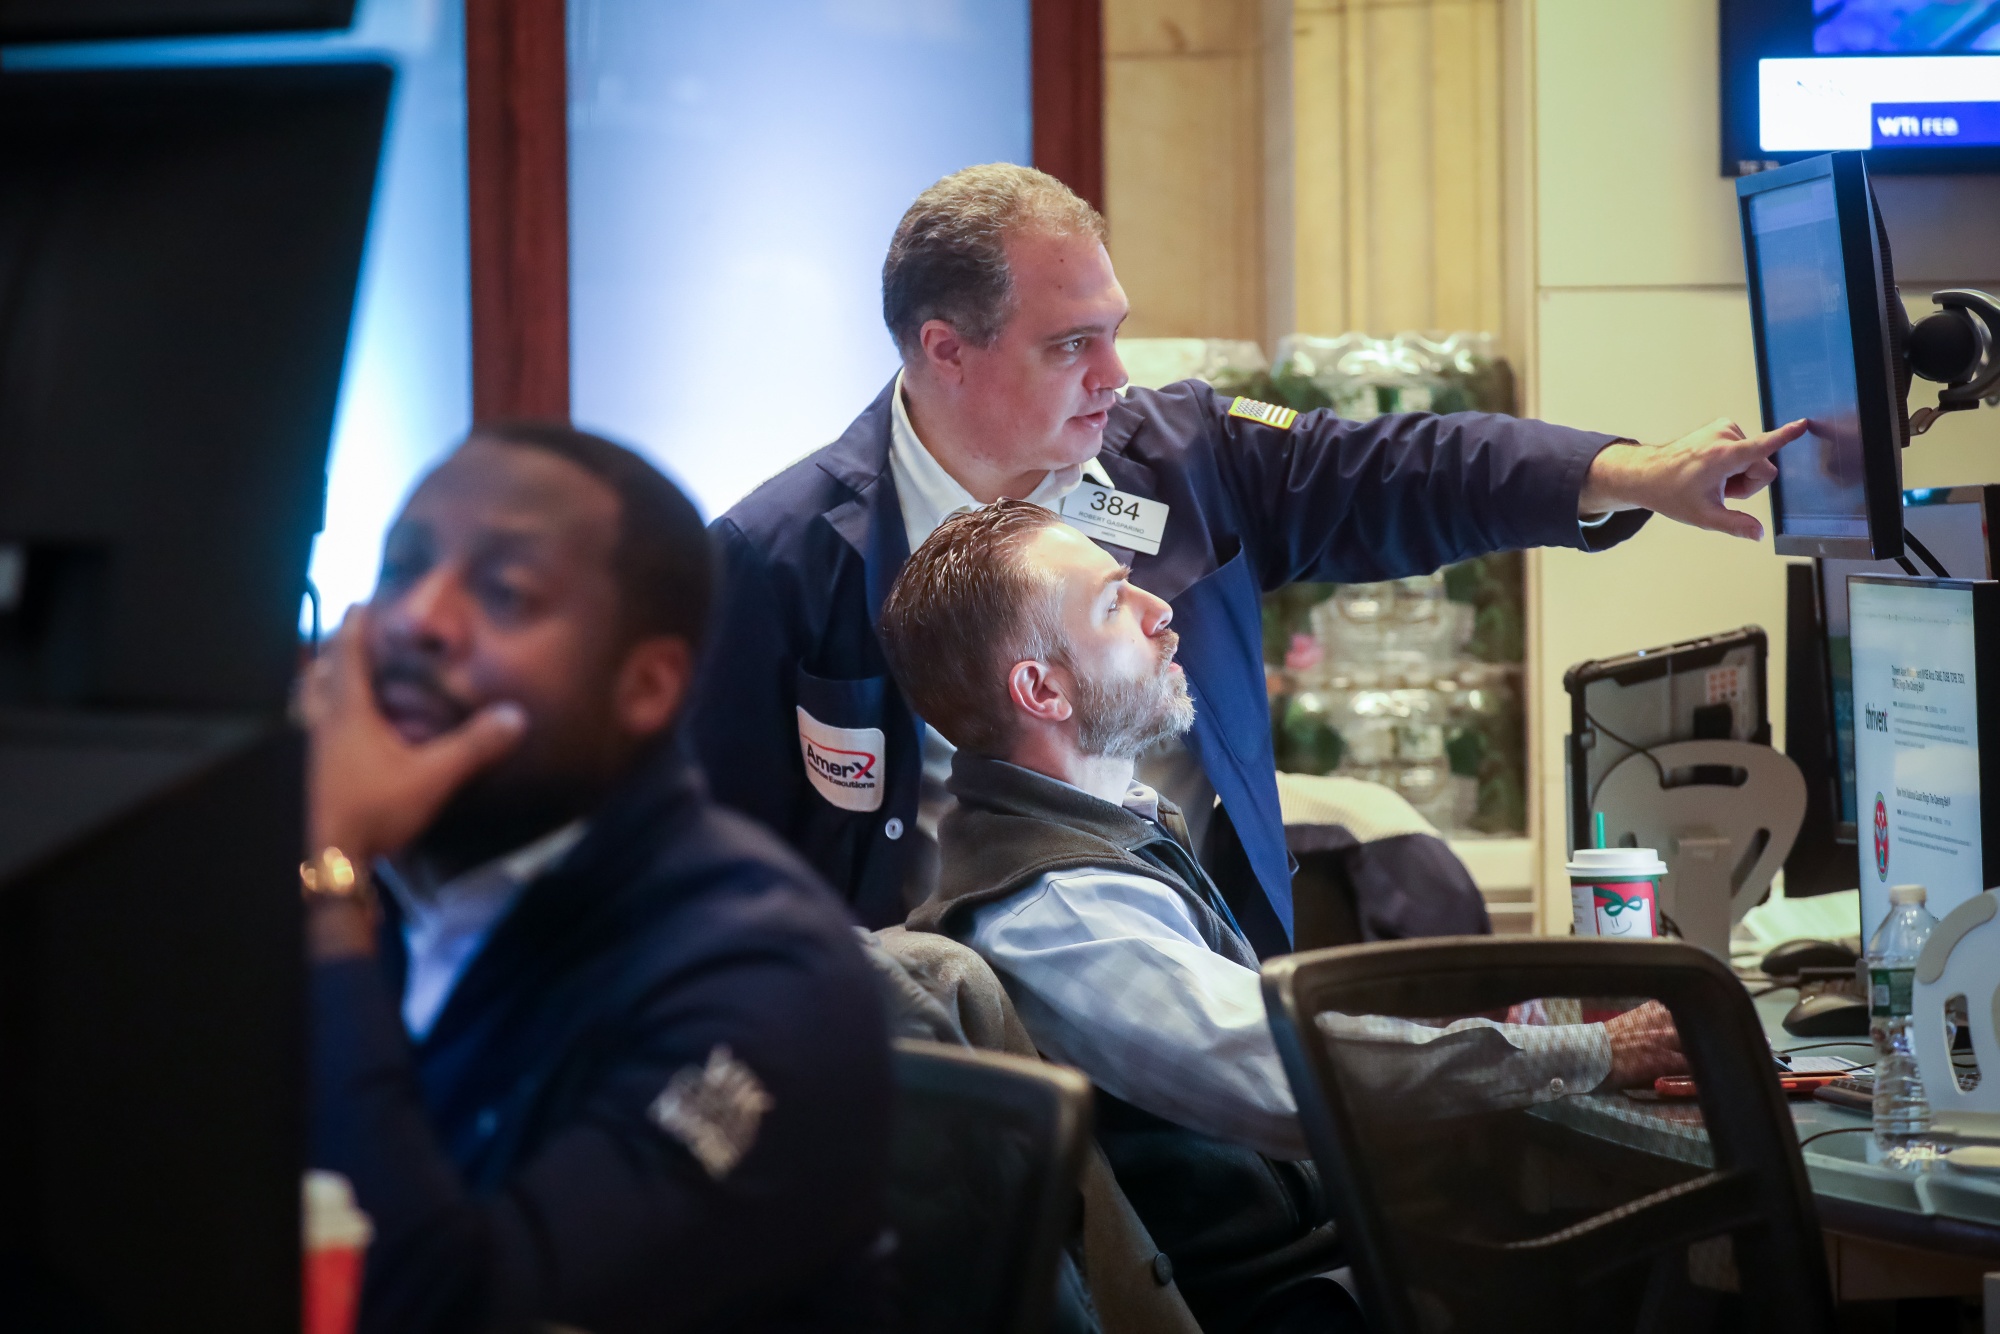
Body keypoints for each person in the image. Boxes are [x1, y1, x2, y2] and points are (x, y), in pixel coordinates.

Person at [689, 161, 1807, 947]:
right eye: (1072, 344)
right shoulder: (778, 555)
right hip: (949, 1085)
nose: (1113, 376)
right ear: (946, 351)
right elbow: (716, 869)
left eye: (1114, 330)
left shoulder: (1177, 459)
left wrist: (1628, 472)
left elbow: (1409, 467)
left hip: (1193, 1015)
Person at [877, 499, 1687, 1327]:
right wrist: (1593, 1050)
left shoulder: (1120, 831)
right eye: (1115, 603)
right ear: (1041, 688)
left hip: (1316, 1258)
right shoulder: (1059, 909)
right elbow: (1290, 1080)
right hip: (1275, 1302)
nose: (1163, 613)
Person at [300, 422, 891, 1334]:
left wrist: (325, 878)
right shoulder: (380, 887)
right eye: (400, 570)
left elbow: (451, 1311)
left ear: (647, 688)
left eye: (505, 593)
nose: (420, 618)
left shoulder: (767, 977)